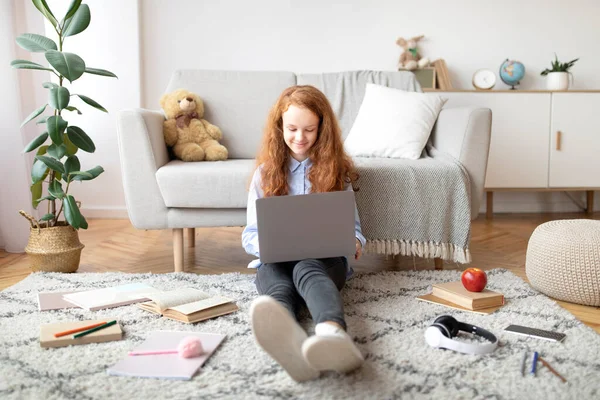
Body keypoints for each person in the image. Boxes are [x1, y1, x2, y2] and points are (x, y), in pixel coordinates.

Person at [241, 85, 366, 382]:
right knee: (277, 285)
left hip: (325, 261)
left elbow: (355, 229)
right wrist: (270, 245)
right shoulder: (265, 174)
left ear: (322, 129)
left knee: (308, 266)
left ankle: (333, 334)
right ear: (280, 128)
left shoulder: (337, 171)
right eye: (292, 128)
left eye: (309, 129)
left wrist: (355, 242)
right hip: (276, 261)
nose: (300, 138)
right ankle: (289, 345)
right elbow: (250, 233)